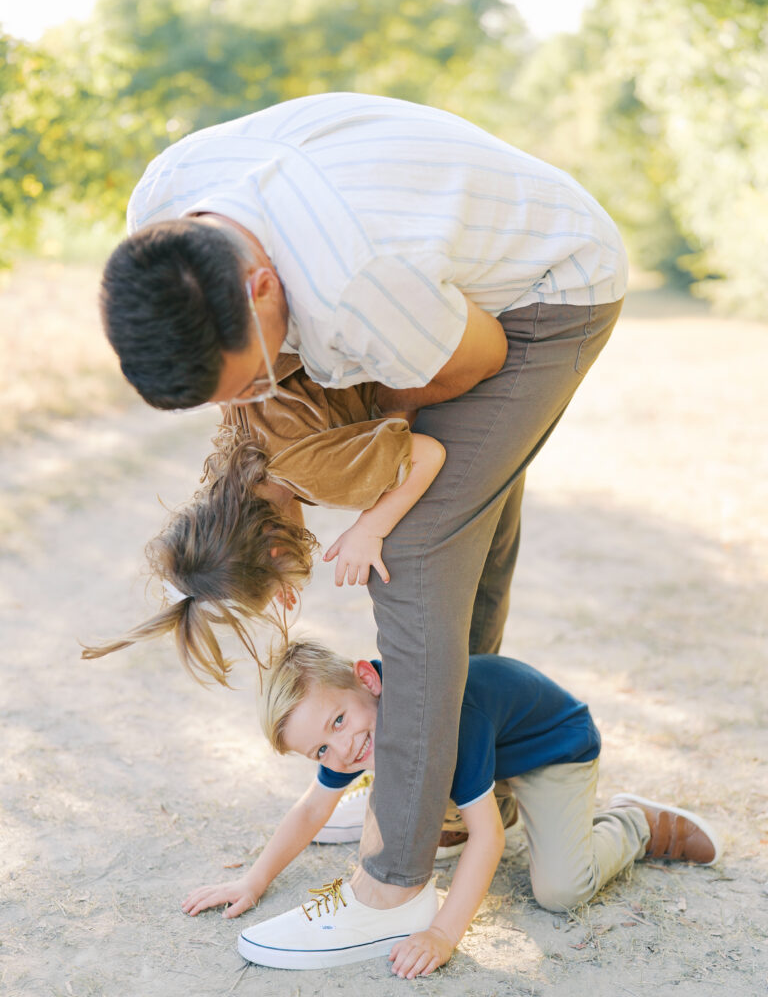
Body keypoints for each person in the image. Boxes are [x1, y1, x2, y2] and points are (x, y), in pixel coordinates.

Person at [100, 92, 629, 950]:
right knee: (459, 522)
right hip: (433, 288)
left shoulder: (358, 287)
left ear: (261, 285)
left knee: (417, 548)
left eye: (250, 380)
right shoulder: (164, 212)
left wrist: (371, 463)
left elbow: (475, 367)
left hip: (545, 295)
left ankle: (394, 885)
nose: (251, 402)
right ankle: (455, 787)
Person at [182, 640, 721, 976]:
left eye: (339, 723)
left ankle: (633, 822)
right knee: (430, 822)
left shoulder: (439, 716)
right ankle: (489, 802)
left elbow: (488, 843)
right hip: (492, 761)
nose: (341, 750)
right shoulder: (358, 726)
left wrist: (442, 932)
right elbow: (311, 809)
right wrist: (253, 880)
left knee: (561, 890)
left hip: (553, 748)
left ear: (366, 680)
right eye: (321, 749)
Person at [82, 355, 444, 684]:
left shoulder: (314, 470)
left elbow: (427, 455)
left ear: (273, 550)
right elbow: (286, 484)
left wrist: (369, 530)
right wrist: (275, 567)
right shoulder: (237, 461)